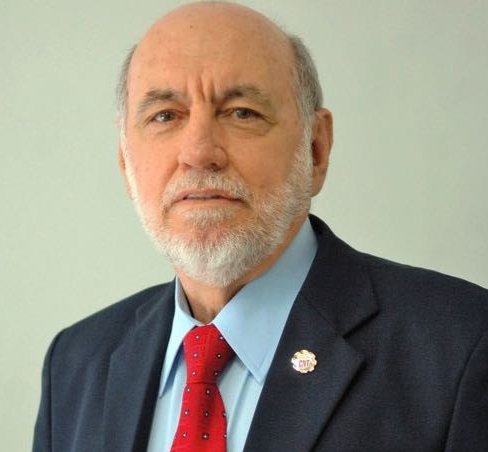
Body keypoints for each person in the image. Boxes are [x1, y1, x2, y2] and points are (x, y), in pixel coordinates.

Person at [33, 2, 488, 451]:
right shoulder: (75, 363)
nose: (199, 153)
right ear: (124, 162)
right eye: (165, 116)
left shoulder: (462, 346)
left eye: (242, 112)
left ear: (316, 148)